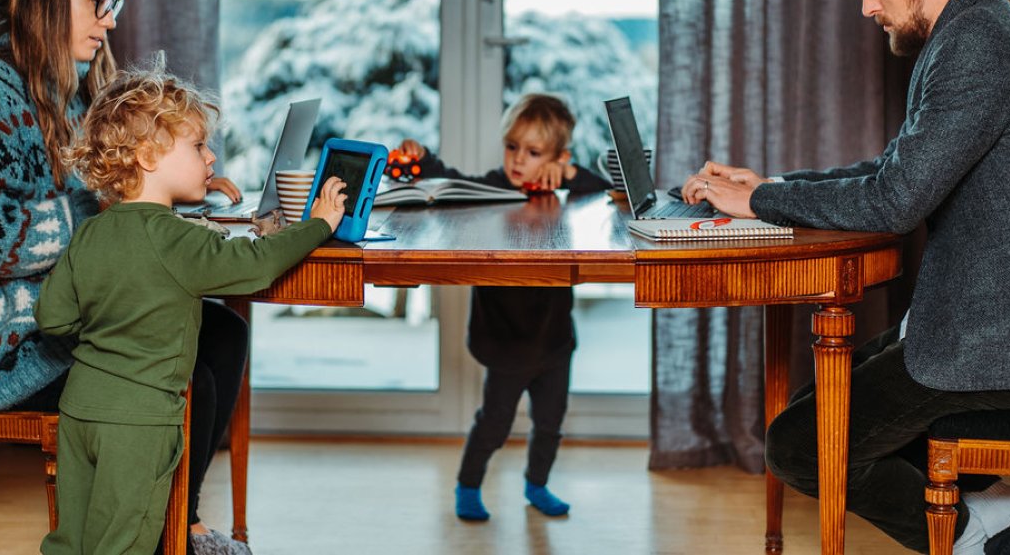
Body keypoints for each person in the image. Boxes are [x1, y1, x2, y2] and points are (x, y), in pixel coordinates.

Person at [679, 0, 1010, 554]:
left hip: (1006, 342)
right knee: (806, 412)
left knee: (798, 445)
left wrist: (759, 205)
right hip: (984, 320)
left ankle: (979, 534)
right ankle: (1005, 511)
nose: (867, 6)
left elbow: (893, 200)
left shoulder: (977, 45)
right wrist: (773, 187)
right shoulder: (974, 30)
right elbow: (894, 169)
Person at [0, 0, 247, 554]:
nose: (111, 21)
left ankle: (183, 525)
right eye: (100, 2)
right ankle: (162, 537)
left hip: (52, 313)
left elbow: (100, 210)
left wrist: (172, 185)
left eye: (114, 5)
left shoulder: (59, 85)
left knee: (221, 331)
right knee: (174, 369)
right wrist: (103, 203)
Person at [35, 69, 346, 554]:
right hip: (140, 422)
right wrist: (320, 225)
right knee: (124, 542)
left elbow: (52, 317)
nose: (211, 156)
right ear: (147, 155)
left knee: (69, 540)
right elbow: (256, 266)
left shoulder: (91, 232)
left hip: (79, 410)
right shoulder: (179, 240)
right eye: (199, 145)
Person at [398, 93, 611, 521]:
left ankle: (537, 485)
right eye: (512, 147)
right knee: (494, 424)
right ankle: (469, 485)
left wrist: (567, 173)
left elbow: (606, 194)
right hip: (506, 342)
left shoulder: (571, 191)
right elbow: (447, 182)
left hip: (554, 341)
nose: (518, 160)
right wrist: (421, 157)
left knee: (550, 424)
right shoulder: (492, 188)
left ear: (557, 157)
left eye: (533, 153)